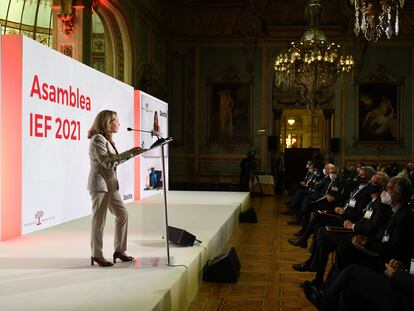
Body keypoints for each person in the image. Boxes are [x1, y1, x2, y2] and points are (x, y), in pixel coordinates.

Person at [87, 110, 144, 267]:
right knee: (99, 221)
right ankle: (96, 255)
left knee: (122, 214)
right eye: (116, 121)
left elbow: (112, 160)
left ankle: (119, 250)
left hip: (111, 185)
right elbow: (107, 162)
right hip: (100, 186)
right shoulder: (97, 139)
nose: (119, 124)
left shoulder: (107, 139)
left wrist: (131, 153)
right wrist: (130, 154)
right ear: (107, 123)